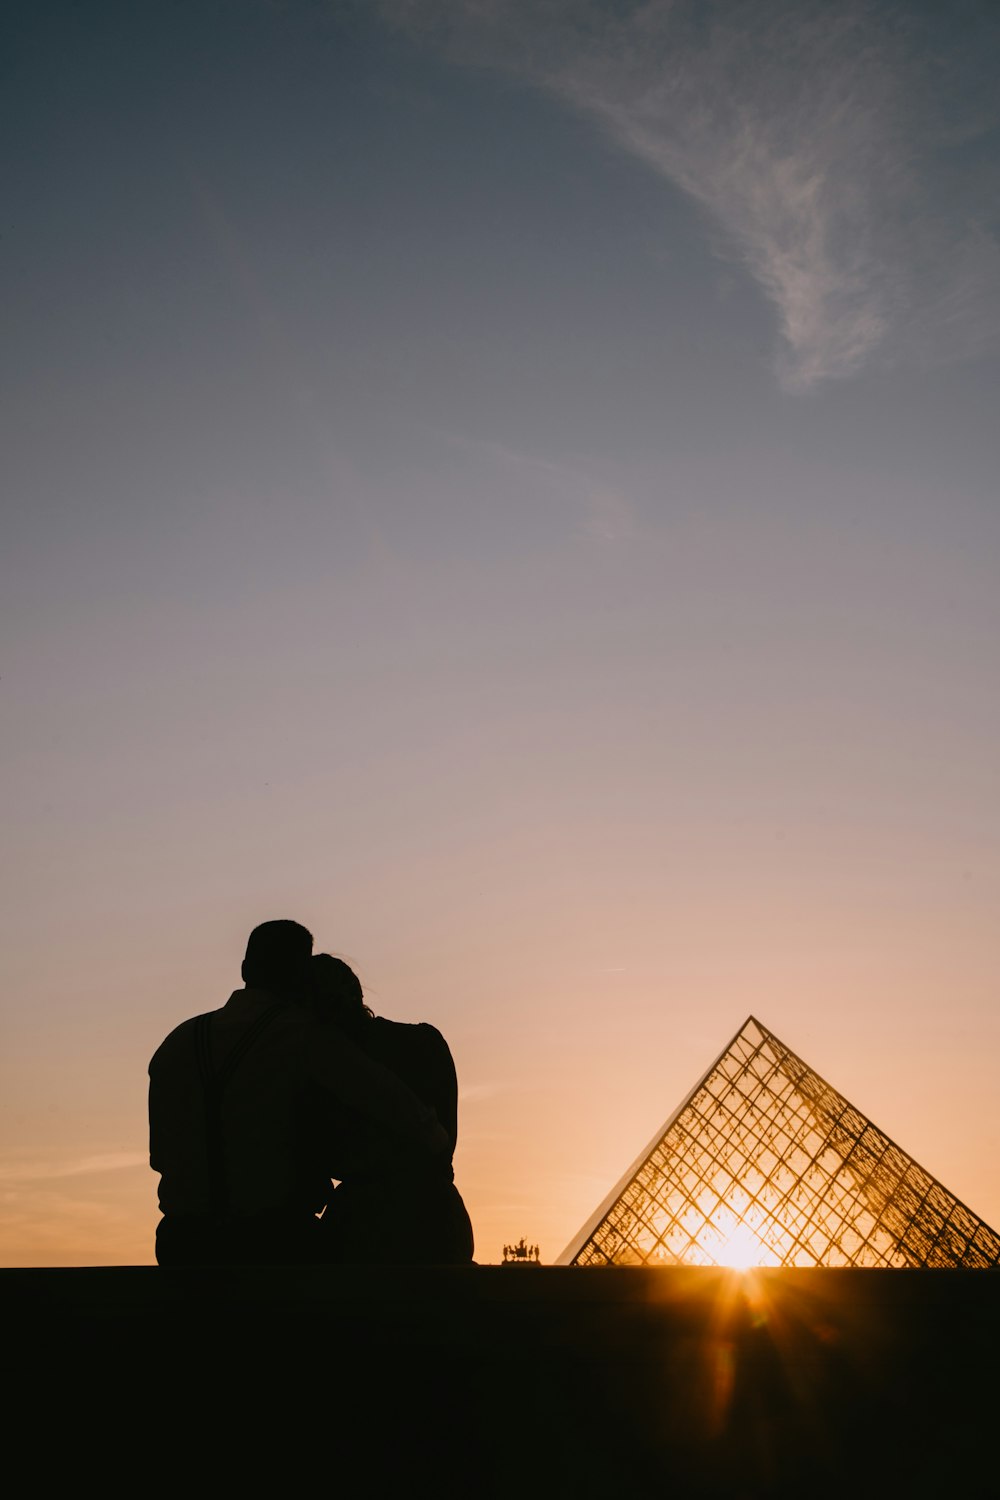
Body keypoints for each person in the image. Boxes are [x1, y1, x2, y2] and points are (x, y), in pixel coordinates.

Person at [149, 920, 448, 1266]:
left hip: (181, 1243)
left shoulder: (176, 1043)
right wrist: (436, 1140)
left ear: (245, 968)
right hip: (275, 1242)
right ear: (301, 974)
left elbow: (161, 1156)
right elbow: (388, 1099)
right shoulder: (305, 1037)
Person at [310, 954, 474, 1264]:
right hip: (438, 1218)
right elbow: (445, 1143)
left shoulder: (325, 1066)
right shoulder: (426, 1041)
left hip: (363, 1226)